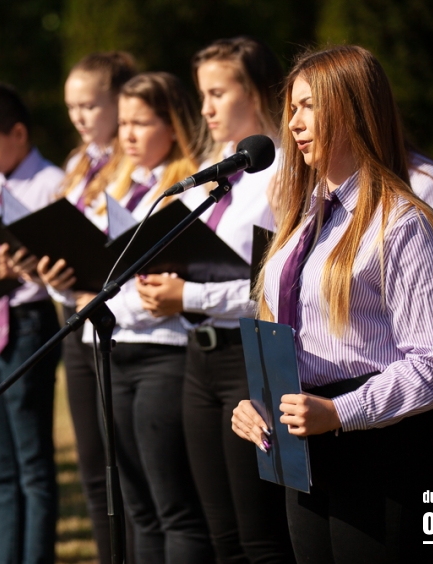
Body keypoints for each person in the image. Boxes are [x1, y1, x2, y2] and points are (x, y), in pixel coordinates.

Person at [231, 45, 433, 564]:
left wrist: (339, 411)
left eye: (309, 106)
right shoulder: (300, 216)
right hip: (306, 448)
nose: (293, 123)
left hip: (384, 456)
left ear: (353, 109)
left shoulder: (402, 222)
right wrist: (262, 402)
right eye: (290, 108)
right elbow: (283, 325)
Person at [136, 37, 295, 563]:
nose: (204, 107)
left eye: (217, 92)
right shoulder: (216, 170)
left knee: (260, 536)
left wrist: (189, 293)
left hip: (248, 359)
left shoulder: (282, 172)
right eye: (202, 93)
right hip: (197, 360)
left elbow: (275, 286)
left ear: (254, 91)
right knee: (219, 534)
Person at [92, 72, 214, 564]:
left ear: (173, 124)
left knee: (173, 506)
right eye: (123, 123)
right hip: (114, 350)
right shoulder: (123, 184)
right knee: (136, 506)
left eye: (141, 122)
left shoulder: (191, 185)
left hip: (167, 352)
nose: (128, 135)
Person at [35, 51, 137, 564]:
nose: (78, 116)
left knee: (127, 473)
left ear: (119, 102)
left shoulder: (132, 162)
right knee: (92, 466)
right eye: (71, 106)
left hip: (119, 321)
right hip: (73, 316)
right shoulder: (78, 162)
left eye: (89, 105)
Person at [0, 82, 64, 564]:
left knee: (32, 465)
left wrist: (22, 265)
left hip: (27, 325)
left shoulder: (51, 183)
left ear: (18, 133)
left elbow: (64, 264)